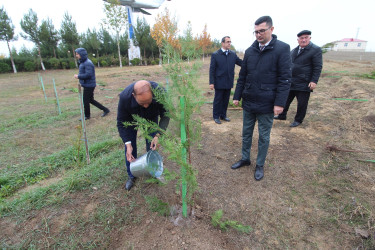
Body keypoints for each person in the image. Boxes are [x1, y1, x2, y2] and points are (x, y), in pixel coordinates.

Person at [231, 16, 291, 181]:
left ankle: (259, 164)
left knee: (264, 136)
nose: (258, 34)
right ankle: (245, 158)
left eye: (262, 31)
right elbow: (243, 76)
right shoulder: (250, 51)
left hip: (268, 102)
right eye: (256, 32)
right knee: (246, 133)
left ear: (271, 29)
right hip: (249, 101)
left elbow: (285, 79)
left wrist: (280, 103)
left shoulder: (282, 49)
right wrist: (237, 96)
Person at [117, 80, 170, 191]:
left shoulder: (161, 92)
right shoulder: (125, 97)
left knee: (152, 144)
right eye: (142, 103)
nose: (146, 106)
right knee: (130, 147)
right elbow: (121, 122)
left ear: (153, 94)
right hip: (131, 119)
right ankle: (131, 175)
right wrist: (127, 143)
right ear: (133, 96)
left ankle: (153, 170)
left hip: (151, 117)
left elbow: (165, 115)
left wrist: (158, 135)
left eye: (149, 101)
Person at [274, 30, 323, 127]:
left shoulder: (315, 50)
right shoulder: (294, 50)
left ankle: (298, 120)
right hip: (291, 81)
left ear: (310, 38)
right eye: (301, 38)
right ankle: (282, 115)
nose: (303, 40)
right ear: (298, 40)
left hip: (304, 82)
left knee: (302, 103)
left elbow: (318, 66)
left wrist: (314, 81)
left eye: (306, 37)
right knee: (286, 100)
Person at [209, 36, 243, 124]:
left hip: (228, 81)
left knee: (226, 99)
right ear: (222, 43)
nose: (229, 43)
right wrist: (211, 82)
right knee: (218, 99)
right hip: (219, 81)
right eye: (227, 42)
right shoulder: (216, 55)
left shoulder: (232, 54)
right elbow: (212, 70)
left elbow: (240, 62)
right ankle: (216, 116)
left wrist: (250, 63)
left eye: (230, 42)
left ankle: (223, 115)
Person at [74, 48, 110, 120]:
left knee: (86, 101)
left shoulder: (88, 63)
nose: (76, 55)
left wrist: (78, 76)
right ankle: (106, 110)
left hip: (89, 85)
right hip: (87, 84)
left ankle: (87, 116)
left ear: (82, 54)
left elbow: (88, 75)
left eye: (77, 54)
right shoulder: (83, 62)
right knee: (90, 100)